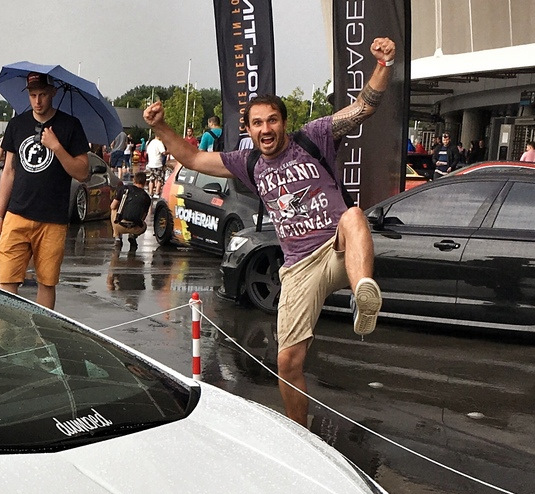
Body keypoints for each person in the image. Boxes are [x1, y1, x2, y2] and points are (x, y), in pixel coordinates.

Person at [143, 35, 397, 428]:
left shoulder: (313, 138)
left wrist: (382, 65)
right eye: (257, 123)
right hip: (297, 269)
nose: (266, 129)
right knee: (287, 362)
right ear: (248, 129)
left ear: (284, 123)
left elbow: (362, 109)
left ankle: (364, 292)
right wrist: (160, 127)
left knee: (354, 216)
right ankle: (301, 432)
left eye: (272, 120)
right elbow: (191, 156)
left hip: (335, 250)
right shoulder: (247, 163)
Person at [0, 71, 90, 311]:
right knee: (8, 280)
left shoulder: (70, 126)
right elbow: (9, 171)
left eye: (43, 94)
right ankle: (5, 335)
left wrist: (56, 146)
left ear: (53, 93)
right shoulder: (17, 124)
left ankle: (40, 339)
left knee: (47, 282)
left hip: (52, 220)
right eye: (33, 95)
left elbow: (83, 172)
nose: (38, 101)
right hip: (16, 215)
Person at [111, 170, 153, 250]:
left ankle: (117, 237)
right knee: (144, 225)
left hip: (120, 225)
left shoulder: (124, 189)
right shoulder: (146, 197)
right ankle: (133, 236)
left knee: (113, 209)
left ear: (134, 180)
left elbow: (112, 206)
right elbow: (144, 216)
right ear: (145, 183)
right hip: (136, 228)